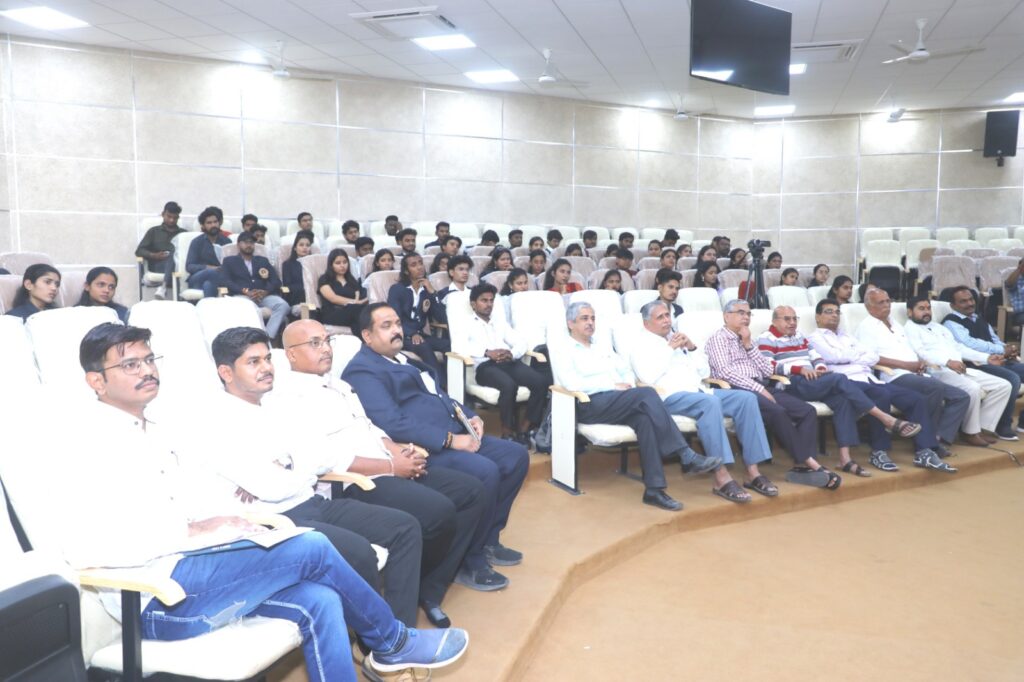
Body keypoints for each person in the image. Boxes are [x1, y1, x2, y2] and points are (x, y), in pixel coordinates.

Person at [67, 322, 469, 681]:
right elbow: (85, 548)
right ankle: (392, 642)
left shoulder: (152, 429)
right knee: (309, 544)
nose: (148, 370)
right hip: (157, 598)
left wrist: (230, 519)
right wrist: (192, 529)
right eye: (130, 365)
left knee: (321, 598)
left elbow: (199, 496)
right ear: (96, 382)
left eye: (149, 360)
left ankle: (379, 650)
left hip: (196, 566)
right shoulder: (87, 443)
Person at [187, 327, 427, 627]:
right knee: (359, 552)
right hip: (274, 519)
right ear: (226, 372)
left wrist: (287, 467)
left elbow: (319, 456)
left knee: (405, 527)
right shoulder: (214, 420)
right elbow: (272, 488)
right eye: (253, 362)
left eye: (267, 359)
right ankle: (379, 639)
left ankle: (398, 631)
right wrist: (292, 468)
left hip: (311, 501)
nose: (266, 368)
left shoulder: (278, 402)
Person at [279, 320, 487, 626]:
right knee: (438, 512)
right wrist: (391, 467)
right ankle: (402, 609)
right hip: (356, 481)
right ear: (290, 355)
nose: (325, 349)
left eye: (326, 341)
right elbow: (327, 460)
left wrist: (397, 449)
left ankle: (427, 586)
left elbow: (370, 427)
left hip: (387, 463)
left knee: (471, 491)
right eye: (314, 343)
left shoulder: (339, 385)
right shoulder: (288, 398)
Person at [344, 303, 530, 590]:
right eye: (386, 326)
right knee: (486, 471)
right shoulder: (363, 370)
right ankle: (470, 560)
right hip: (426, 448)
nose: (397, 330)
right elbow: (391, 422)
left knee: (515, 455)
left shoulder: (405, 359)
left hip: (456, 432)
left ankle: (488, 539)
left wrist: (470, 414)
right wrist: (451, 440)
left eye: (397, 323)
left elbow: (440, 395)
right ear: (367, 336)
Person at [557, 302, 717, 511]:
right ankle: (684, 454)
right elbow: (571, 384)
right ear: (571, 323)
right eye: (584, 319)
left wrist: (628, 386)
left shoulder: (601, 346)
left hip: (617, 400)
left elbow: (625, 370)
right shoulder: (564, 349)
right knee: (647, 394)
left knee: (645, 420)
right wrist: (612, 386)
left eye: (593, 318)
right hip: (588, 403)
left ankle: (654, 490)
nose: (590, 323)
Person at [631, 300, 779, 503]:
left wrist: (691, 348)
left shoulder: (677, 338)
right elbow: (647, 377)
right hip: (668, 396)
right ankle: (721, 477)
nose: (667, 320)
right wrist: (669, 348)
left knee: (746, 398)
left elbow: (705, 372)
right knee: (709, 404)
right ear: (647, 323)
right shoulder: (640, 344)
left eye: (667, 315)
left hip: (700, 391)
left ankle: (752, 472)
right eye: (660, 317)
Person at [759, 305, 922, 477]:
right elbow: (767, 366)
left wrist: (820, 367)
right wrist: (800, 370)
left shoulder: (800, 336)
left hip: (813, 380)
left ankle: (845, 459)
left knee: (843, 401)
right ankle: (885, 418)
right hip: (792, 383)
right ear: (774, 321)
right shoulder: (766, 338)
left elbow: (816, 357)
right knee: (839, 378)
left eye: (794, 319)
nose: (792, 323)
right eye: (787, 319)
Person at [706, 299, 839, 491]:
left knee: (806, 410)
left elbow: (767, 370)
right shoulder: (718, 338)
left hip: (762, 385)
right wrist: (758, 389)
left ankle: (802, 467)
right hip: (737, 390)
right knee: (777, 412)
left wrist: (748, 345)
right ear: (726, 316)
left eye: (748, 313)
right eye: (740, 313)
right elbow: (725, 373)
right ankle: (811, 463)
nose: (745, 317)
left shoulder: (747, 338)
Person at [809, 298, 949, 473]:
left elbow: (873, 357)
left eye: (837, 312)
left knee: (916, 399)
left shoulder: (846, 335)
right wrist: (856, 355)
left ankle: (924, 451)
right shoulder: (814, 338)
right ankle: (879, 451)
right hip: (847, 382)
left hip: (870, 379)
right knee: (880, 396)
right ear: (817, 317)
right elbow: (833, 357)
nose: (834, 315)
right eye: (829, 312)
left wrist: (849, 356)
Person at [855, 288, 969, 466]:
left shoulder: (895, 323)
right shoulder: (867, 326)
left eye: (887, 301)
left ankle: (935, 439)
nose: (886, 305)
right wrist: (908, 365)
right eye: (881, 302)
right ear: (869, 307)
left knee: (959, 395)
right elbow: (872, 358)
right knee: (935, 388)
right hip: (893, 375)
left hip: (916, 371)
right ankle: (925, 444)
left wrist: (920, 362)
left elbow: (912, 349)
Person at [903, 295, 1015, 443]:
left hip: (960, 369)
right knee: (973, 388)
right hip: (937, 372)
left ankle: (982, 428)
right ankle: (970, 432)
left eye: (928, 308)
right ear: (910, 312)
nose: (926, 312)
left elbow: (959, 348)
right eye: (921, 309)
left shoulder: (938, 327)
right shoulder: (909, 329)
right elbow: (920, 353)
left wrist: (986, 358)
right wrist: (948, 362)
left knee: (1004, 386)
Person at [464, 283, 549, 444]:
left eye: (491, 300)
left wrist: (511, 353)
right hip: (485, 367)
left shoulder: (499, 322)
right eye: (484, 300)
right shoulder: (466, 323)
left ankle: (526, 427)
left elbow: (520, 342)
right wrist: (487, 352)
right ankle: (507, 431)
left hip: (508, 362)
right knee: (509, 385)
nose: (488, 304)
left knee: (540, 382)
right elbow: (460, 347)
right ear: (473, 304)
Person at [944, 285, 1024, 434]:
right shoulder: (951, 322)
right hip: (976, 364)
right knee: (1012, 379)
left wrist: (1008, 349)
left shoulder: (978, 317)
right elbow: (969, 344)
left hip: (999, 359)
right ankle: (1003, 425)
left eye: (971, 299)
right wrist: (1001, 350)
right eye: (963, 301)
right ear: (953, 305)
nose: (969, 303)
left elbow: (994, 339)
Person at [387, 252, 449, 378]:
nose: (420, 267)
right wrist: (411, 333)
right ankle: (441, 385)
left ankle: (454, 381)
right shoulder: (397, 289)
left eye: (421, 263)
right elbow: (395, 318)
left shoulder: (426, 290)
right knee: (422, 346)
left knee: (449, 344)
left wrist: (432, 292)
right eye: (414, 265)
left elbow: (441, 317)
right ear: (406, 271)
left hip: (420, 335)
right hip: (402, 335)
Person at [220, 232, 290, 340]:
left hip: (264, 296)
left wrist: (265, 291)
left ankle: (267, 337)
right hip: (242, 296)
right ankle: (253, 340)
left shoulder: (262, 261)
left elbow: (276, 281)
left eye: (251, 243)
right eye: (245, 242)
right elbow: (225, 281)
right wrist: (245, 292)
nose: (249, 245)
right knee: (251, 310)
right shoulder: (229, 261)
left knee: (283, 305)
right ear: (238, 245)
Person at [135, 201, 184, 299]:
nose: (171, 220)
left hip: (178, 266)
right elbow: (139, 251)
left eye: (174, 218)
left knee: (174, 254)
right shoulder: (154, 231)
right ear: (163, 214)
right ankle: (167, 288)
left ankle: (163, 287)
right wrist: (154, 255)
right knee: (173, 255)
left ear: (178, 218)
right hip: (158, 265)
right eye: (169, 216)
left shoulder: (183, 234)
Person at [318, 249, 368, 332]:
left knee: (357, 320)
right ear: (331, 265)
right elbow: (333, 298)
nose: (342, 265)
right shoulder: (324, 279)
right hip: (332, 312)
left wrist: (363, 301)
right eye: (338, 263)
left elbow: (359, 297)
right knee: (357, 310)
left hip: (351, 312)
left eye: (345, 262)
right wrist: (356, 302)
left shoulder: (352, 280)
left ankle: (364, 341)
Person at [185, 206, 230, 298]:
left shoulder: (227, 242)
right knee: (211, 273)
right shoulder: (197, 242)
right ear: (203, 226)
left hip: (218, 281)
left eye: (215, 222)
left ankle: (207, 310)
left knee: (208, 284)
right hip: (197, 279)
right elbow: (189, 266)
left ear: (219, 223)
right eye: (209, 223)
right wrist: (209, 268)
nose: (213, 225)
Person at [282, 230, 315, 308]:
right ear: (295, 248)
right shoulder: (287, 264)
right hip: (297, 297)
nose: (305, 248)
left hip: (313, 297)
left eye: (307, 245)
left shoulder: (314, 264)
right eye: (301, 245)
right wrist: (306, 287)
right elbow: (287, 286)